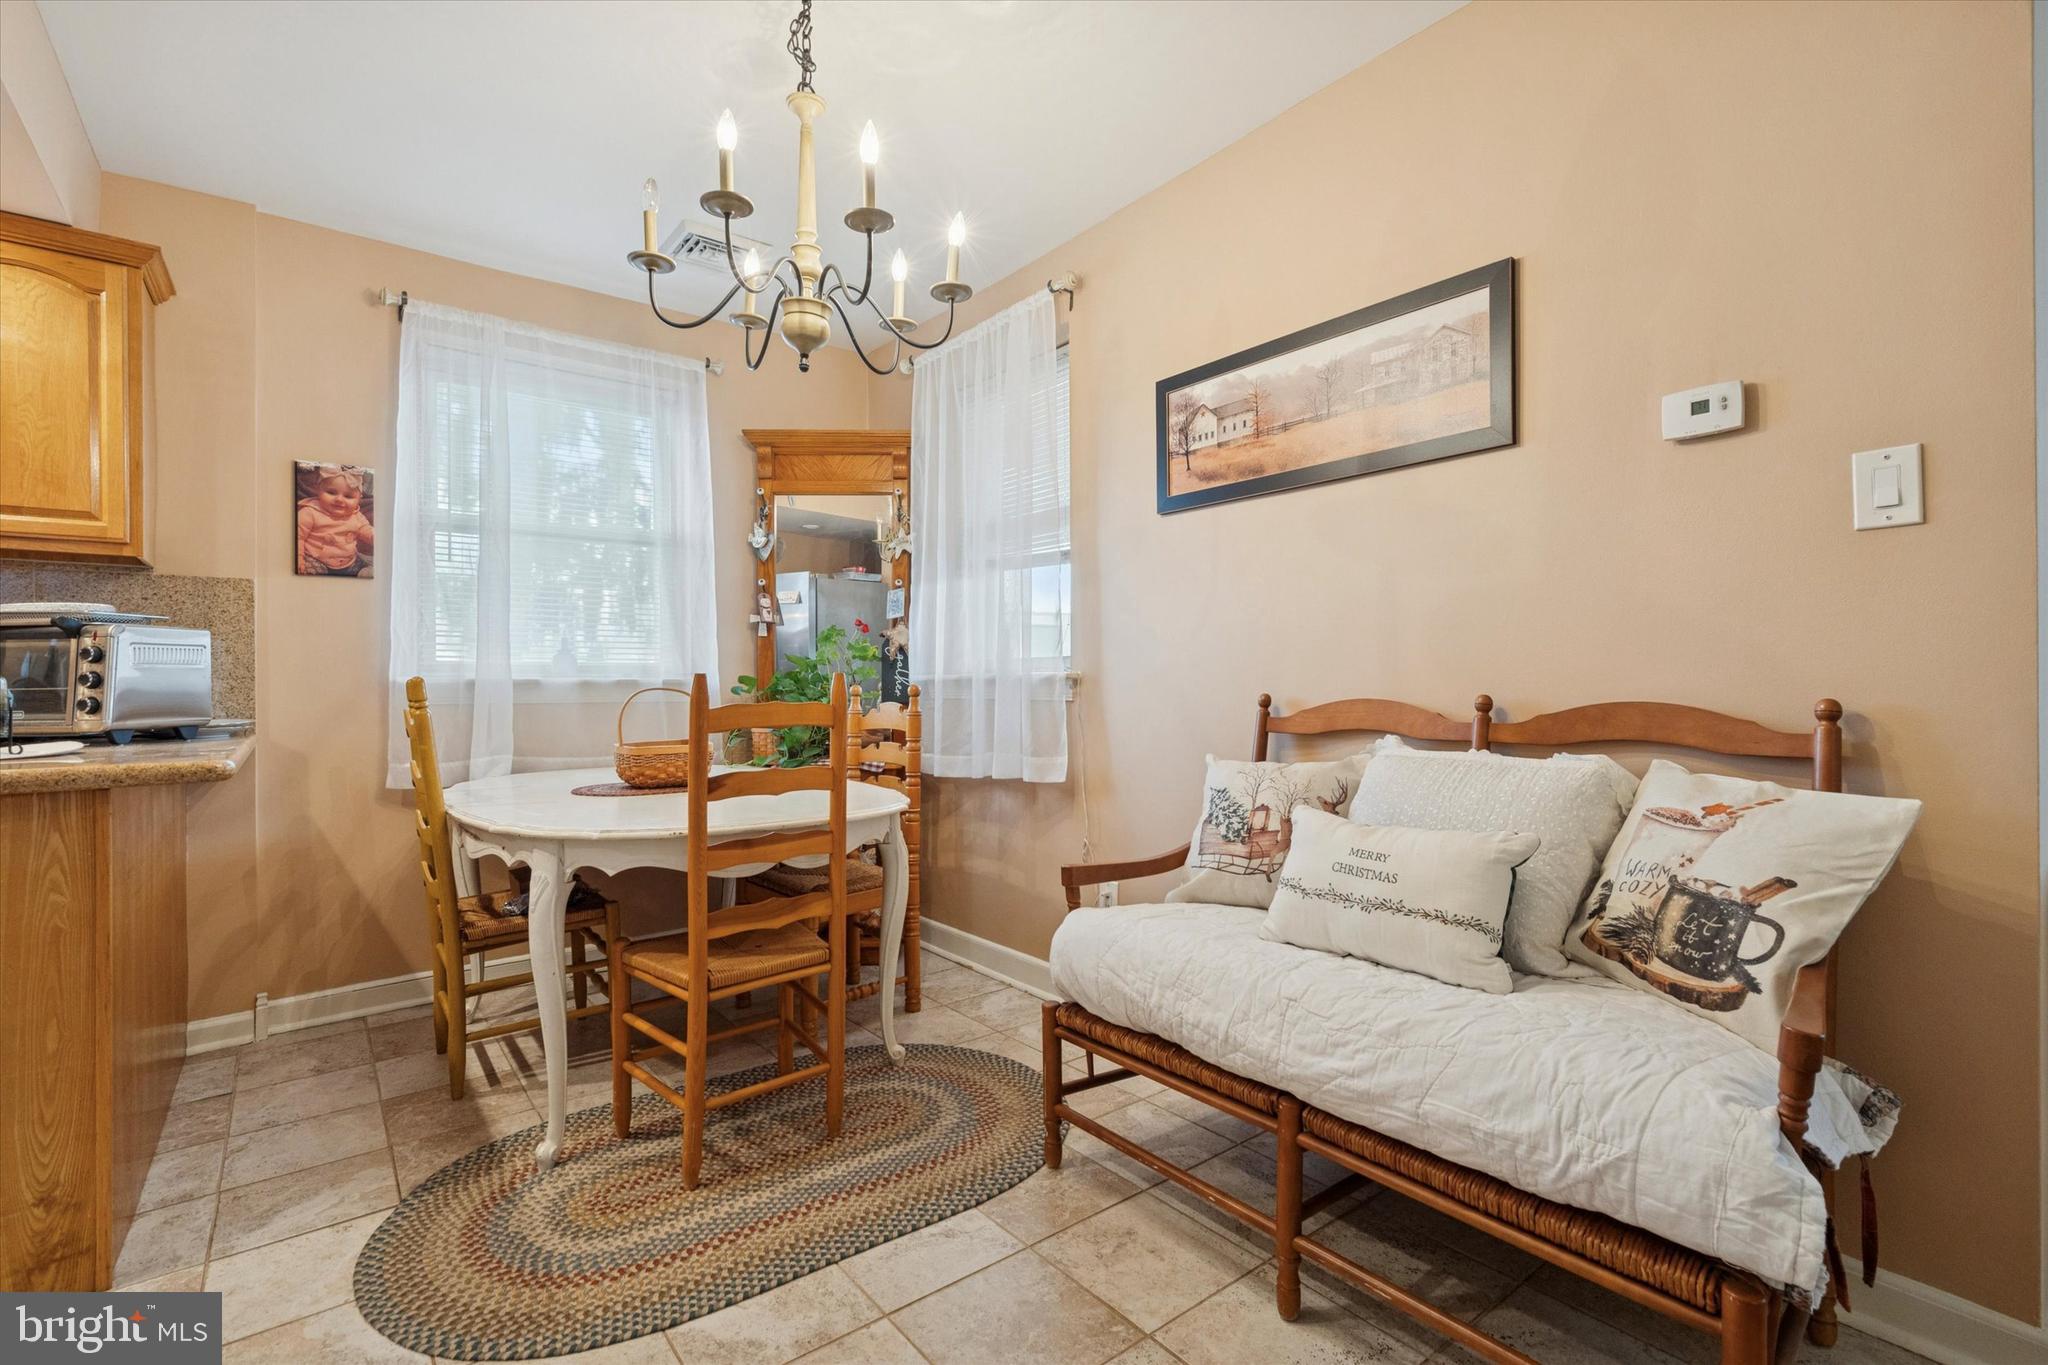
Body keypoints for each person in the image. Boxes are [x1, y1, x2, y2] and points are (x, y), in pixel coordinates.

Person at [297, 465, 374, 576]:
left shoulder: (356, 516)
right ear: (319, 491)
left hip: (350, 561)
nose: (339, 499)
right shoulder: (309, 512)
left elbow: (366, 530)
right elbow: (298, 537)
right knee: (309, 572)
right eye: (331, 493)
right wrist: (299, 558)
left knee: (368, 569)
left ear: (359, 499)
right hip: (316, 560)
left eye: (348, 496)